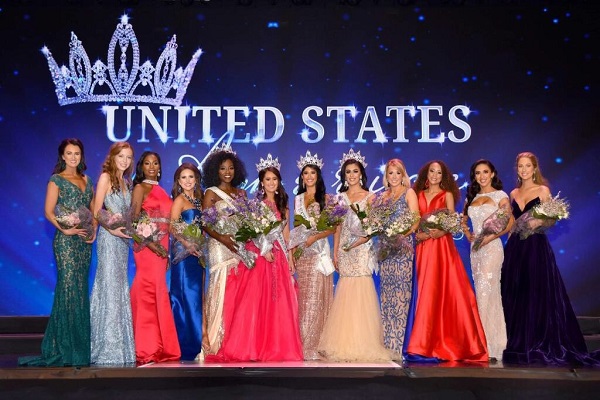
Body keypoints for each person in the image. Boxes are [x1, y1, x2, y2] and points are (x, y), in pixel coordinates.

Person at [501, 152, 600, 365]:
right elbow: (512, 223)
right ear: (517, 169)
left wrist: (539, 222)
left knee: (537, 292)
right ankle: (520, 340)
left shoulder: (543, 190)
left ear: (534, 168)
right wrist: (507, 249)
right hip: (516, 248)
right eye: (520, 166)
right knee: (518, 292)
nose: (524, 170)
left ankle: (538, 339)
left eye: (528, 166)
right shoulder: (513, 193)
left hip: (535, 247)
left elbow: (551, 219)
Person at [209, 155, 303, 361]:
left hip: (278, 256)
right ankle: (254, 347)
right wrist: (264, 248)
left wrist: (290, 257)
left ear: (279, 182)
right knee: (257, 301)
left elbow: (286, 234)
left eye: (274, 179)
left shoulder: (284, 205)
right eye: (267, 179)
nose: (271, 183)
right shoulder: (255, 204)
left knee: (278, 301)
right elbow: (252, 232)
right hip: (261, 255)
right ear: (261, 182)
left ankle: (276, 347)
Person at [20, 138, 95, 367]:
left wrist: (93, 231)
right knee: (67, 288)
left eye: (77, 153)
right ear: (62, 156)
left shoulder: (87, 180)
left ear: (81, 156)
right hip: (65, 242)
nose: (73, 157)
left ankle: (79, 348)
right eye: (69, 153)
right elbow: (48, 211)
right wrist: (65, 228)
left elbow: (93, 210)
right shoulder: (56, 180)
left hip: (83, 243)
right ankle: (62, 347)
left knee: (80, 290)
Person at [406, 160, 488, 362]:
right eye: (432, 171)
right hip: (423, 248)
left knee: (440, 291)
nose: (435, 175)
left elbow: (452, 223)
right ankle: (422, 343)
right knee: (424, 291)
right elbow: (413, 222)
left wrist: (439, 232)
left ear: (444, 176)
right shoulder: (417, 194)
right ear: (426, 173)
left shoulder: (447, 195)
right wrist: (420, 234)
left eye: (439, 172)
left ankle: (439, 344)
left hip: (441, 247)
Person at [318, 149, 392, 362]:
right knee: (345, 291)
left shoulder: (371, 197)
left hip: (361, 250)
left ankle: (363, 344)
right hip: (344, 250)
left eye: (355, 171)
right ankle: (344, 344)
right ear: (344, 175)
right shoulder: (339, 199)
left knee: (362, 291)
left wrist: (361, 240)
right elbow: (337, 228)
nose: (351, 175)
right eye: (348, 172)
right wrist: (335, 252)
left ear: (361, 174)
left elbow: (373, 227)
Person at [130, 151, 180, 364]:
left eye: (155, 163)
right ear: (141, 167)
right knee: (147, 289)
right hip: (146, 245)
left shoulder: (162, 190)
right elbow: (132, 222)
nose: (151, 167)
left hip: (162, 246)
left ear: (160, 167)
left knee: (159, 289)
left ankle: (160, 345)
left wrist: (165, 251)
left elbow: (168, 223)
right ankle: (145, 347)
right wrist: (151, 244)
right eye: (147, 163)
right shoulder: (140, 188)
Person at [90, 142, 136, 365]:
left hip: (122, 242)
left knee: (119, 289)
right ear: (113, 157)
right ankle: (106, 348)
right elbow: (97, 210)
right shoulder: (105, 178)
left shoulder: (127, 182)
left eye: (128, 157)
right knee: (108, 287)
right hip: (109, 239)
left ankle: (122, 348)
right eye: (121, 156)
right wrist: (111, 229)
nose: (125, 161)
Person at [461, 159, 511, 361]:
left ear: (492, 174)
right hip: (476, 251)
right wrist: (468, 234)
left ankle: (484, 345)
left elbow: (509, 222)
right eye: (477, 173)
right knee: (487, 295)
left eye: (485, 172)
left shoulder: (500, 196)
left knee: (484, 292)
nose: (481, 176)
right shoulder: (471, 198)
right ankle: (493, 344)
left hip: (492, 248)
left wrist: (489, 238)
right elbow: (463, 220)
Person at [201, 144, 248, 356]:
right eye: (222, 168)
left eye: (230, 168)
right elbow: (205, 223)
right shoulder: (211, 193)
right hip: (219, 245)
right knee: (220, 285)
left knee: (237, 292)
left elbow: (247, 222)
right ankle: (215, 340)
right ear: (215, 170)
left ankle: (234, 341)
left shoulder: (242, 193)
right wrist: (222, 238)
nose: (227, 172)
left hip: (237, 246)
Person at [293, 151, 334, 360]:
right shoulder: (297, 199)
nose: (309, 177)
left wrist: (314, 237)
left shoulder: (327, 199)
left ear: (318, 176)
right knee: (304, 298)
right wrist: (294, 250)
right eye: (306, 173)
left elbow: (333, 228)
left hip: (319, 252)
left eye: (312, 173)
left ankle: (315, 345)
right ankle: (302, 344)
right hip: (303, 253)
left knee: (317, 297)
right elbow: (296, 227)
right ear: (302, 177)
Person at [378, 159, 419, 356]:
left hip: (403, 250)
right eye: (391, 173)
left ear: (403, 175)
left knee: (402, 296)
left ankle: (400, 345)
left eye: (398, 173)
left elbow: (415, 221)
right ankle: (388, 345)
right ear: (386, 176)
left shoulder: (409, 193)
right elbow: (377, 223)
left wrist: (401, 235)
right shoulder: (383, 196)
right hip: (386, 252)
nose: (394, 177)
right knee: (387, 298)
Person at [169, 163, 204, 361]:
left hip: (197, 255)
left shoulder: (199, 201)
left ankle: (198, 343)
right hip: (183, 256)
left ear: (196, 179)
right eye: (184, 177)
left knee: (196, 299)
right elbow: (173, 227)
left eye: (191, 177)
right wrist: (187, 244)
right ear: (178, 181)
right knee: (185, 297)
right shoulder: (179, 200)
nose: (188, 181)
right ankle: (185, 344)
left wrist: (200, 245)